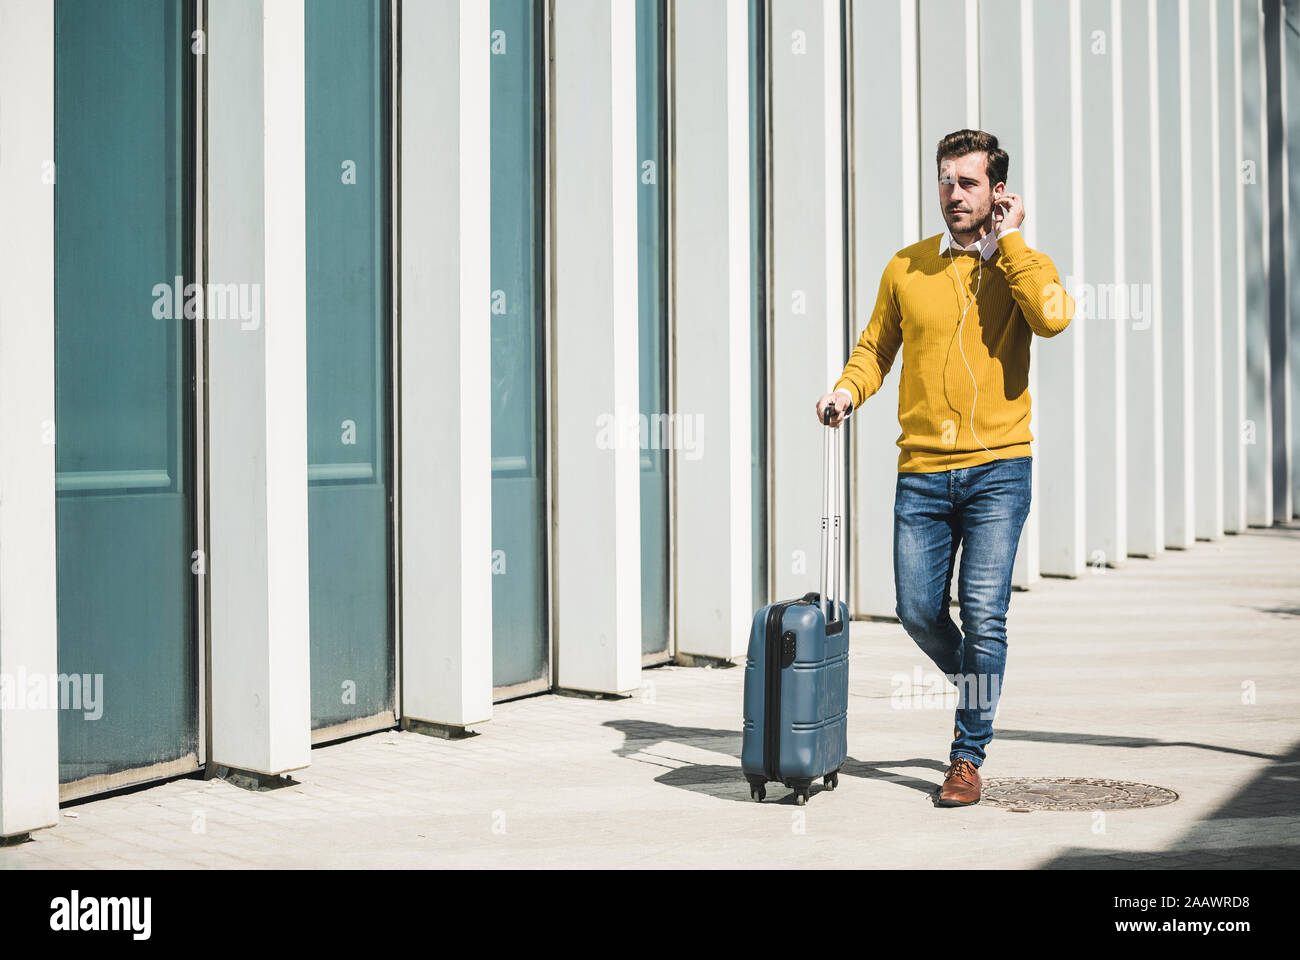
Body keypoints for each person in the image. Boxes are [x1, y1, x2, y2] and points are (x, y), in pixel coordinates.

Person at [815, 129, 1075, 806]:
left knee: (984, 615)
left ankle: (967, 756)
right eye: (944, 181)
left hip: (998, 470)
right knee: (918, 610)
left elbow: (1054, 318)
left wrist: (1010, 243)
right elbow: (875, 348)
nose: (953, 194)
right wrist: (847, 389)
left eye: (967, 182)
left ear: (997, 192)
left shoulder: (1023, 265)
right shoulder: (907, 267)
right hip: (923, 472)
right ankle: (981, 681)